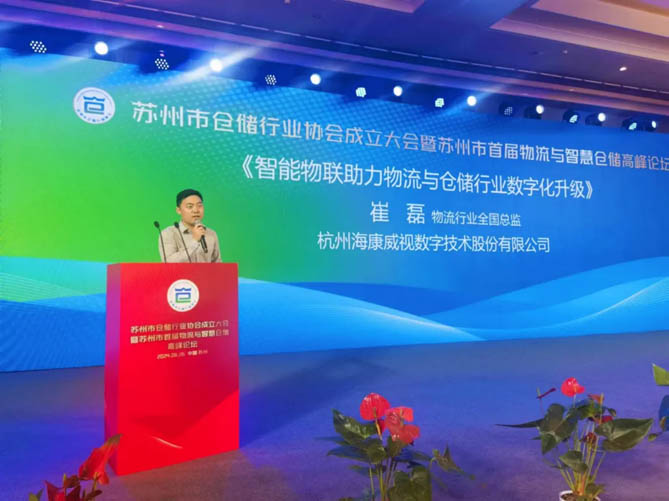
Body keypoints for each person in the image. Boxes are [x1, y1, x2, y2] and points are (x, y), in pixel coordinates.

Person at [159, 189, 222, 263]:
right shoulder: (168, 233)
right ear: (178, 210)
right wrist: (194, 241)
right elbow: (168, 262)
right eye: (190, 206)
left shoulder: (211, 233)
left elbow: (217, 263)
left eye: (199, 206)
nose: (196, 210)